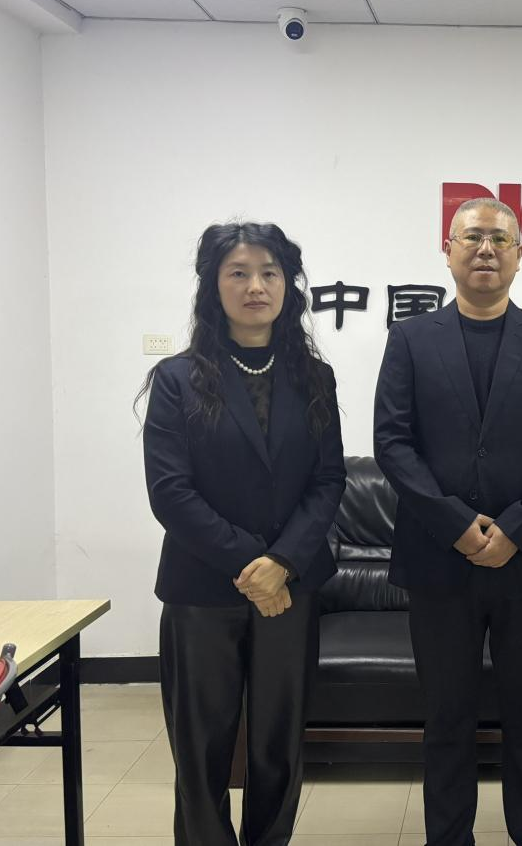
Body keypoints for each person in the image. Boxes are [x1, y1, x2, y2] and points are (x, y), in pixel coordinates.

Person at [373, 197, 522, 846]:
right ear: (448, 250)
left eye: (499, 238)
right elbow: (392, 441)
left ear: (520, 255)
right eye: (472, 237)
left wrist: (516, 526)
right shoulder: (411, 338)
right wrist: (457, 525)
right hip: (438, 561)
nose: (485, 249)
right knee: (446, 717)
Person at [140, 222, 346, 846]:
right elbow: (171, 493)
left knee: (279, 742)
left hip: (291, 589)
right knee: (201, 747)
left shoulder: (314, 377)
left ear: (288, 285)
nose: (256, 286)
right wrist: (254, 566)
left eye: (269, 273)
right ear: (213, 286)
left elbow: (328, 480)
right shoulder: (177, 379)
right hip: (202, 589)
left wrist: (282, 563)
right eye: (239, 273)